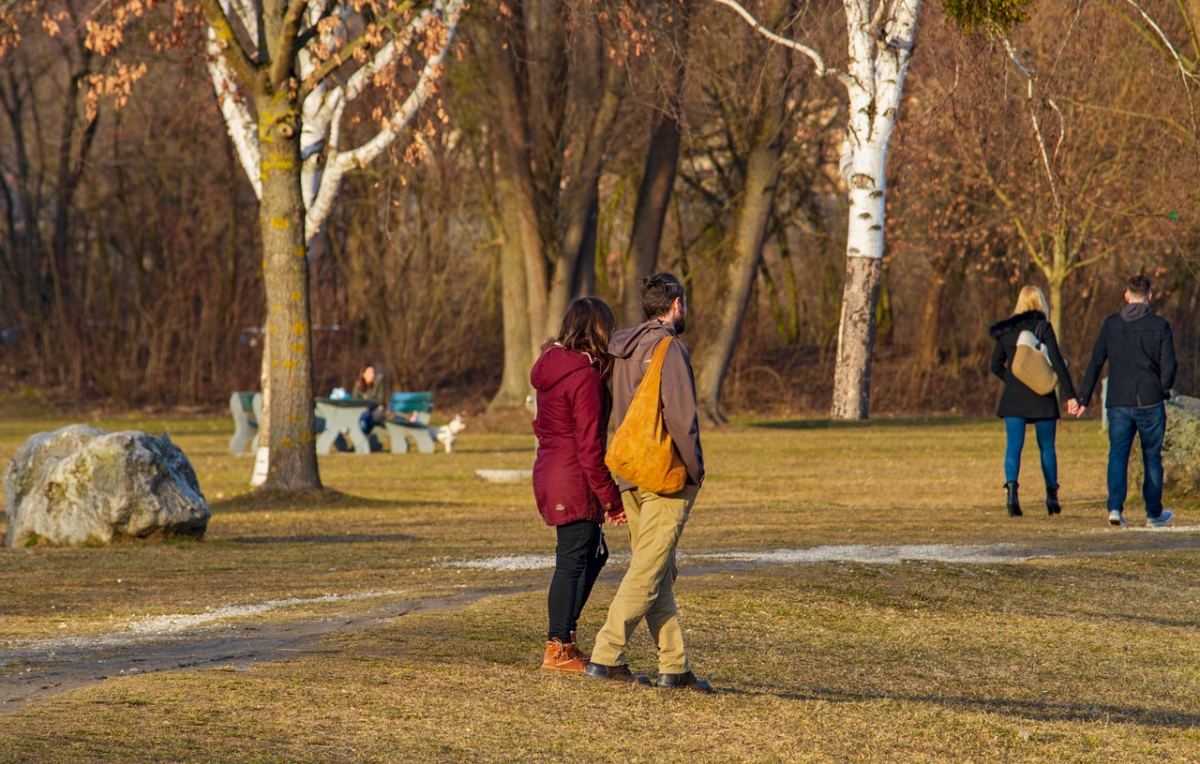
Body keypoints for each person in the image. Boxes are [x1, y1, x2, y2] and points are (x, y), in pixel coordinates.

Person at [585, 273, 712, 693]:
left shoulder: (621, 349)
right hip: (665, 474)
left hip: (629, 471)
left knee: (656, 567)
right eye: (685, 303)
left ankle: (673, 665)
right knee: (649, 569)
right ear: (675, 304)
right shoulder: (669, 348)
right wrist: (695, 468)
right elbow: (681, 418)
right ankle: (606, 653)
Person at [531, 297, 625, 673]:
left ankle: (564, 638)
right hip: (573, 475)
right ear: (597, 330)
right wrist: (611, 498)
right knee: (572, 560)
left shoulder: (552, 367)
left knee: (593, 554)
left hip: (552, 469)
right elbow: (590, 445)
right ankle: (558, 646)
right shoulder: (584, 376)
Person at [1076, 275, 1178, 528]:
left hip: (1118, 400)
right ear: (1150, 296)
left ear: (1126, 295)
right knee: (1152, 457)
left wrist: (1083, 398)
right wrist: (1164, 388)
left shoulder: (1111, 325)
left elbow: (1096, 362)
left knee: (1117, 455)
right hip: (1150, 399)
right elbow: (1170, 365)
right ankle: (1154, 513)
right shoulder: (1160, 325)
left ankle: (1114, 508)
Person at [988, 286, 1080, 517]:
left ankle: (1011, 496)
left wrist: (1013, 380)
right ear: (1041, 303)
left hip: (1014, 399)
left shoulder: (1007, 330)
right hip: (1042, 397)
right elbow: (1058, 363)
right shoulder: (1043, 327)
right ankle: (1051, 497)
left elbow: (994, 365)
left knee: (1013, 447)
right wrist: (1071, 394)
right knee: (1047, 447)